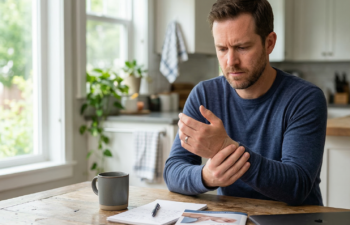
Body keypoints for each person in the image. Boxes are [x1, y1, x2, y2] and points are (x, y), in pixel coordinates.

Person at [163, 0, 327, 206]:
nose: (231, 61)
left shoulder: (304, 98)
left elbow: (297, 185)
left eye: (242, 47)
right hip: (230, 217)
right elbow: (173, 171)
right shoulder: (205, 95)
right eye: (222, 49)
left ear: (269, 43)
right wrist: (206, 176)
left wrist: (226, 148)